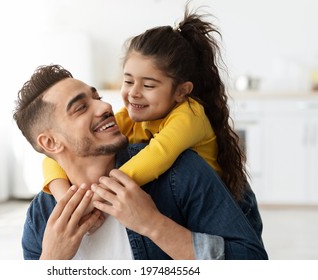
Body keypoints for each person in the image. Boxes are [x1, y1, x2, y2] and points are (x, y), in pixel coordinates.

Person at [13, 64, 267, 259]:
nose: (104, 107)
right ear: (50, 143)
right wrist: (51, 262)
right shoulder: (41, 218)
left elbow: (253, 261)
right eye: (80, 108)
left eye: (97, 97)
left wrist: (154, 225)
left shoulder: (180, 173)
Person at [41, 4, 248, 234]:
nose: (134, 93)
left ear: (181, 91)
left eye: (148, 85)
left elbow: (157, 155)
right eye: (128, 81)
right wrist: (65, 199)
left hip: (222, 211)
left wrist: (94, 200)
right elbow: (57, 154)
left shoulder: (190, 114)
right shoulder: (131, 118)